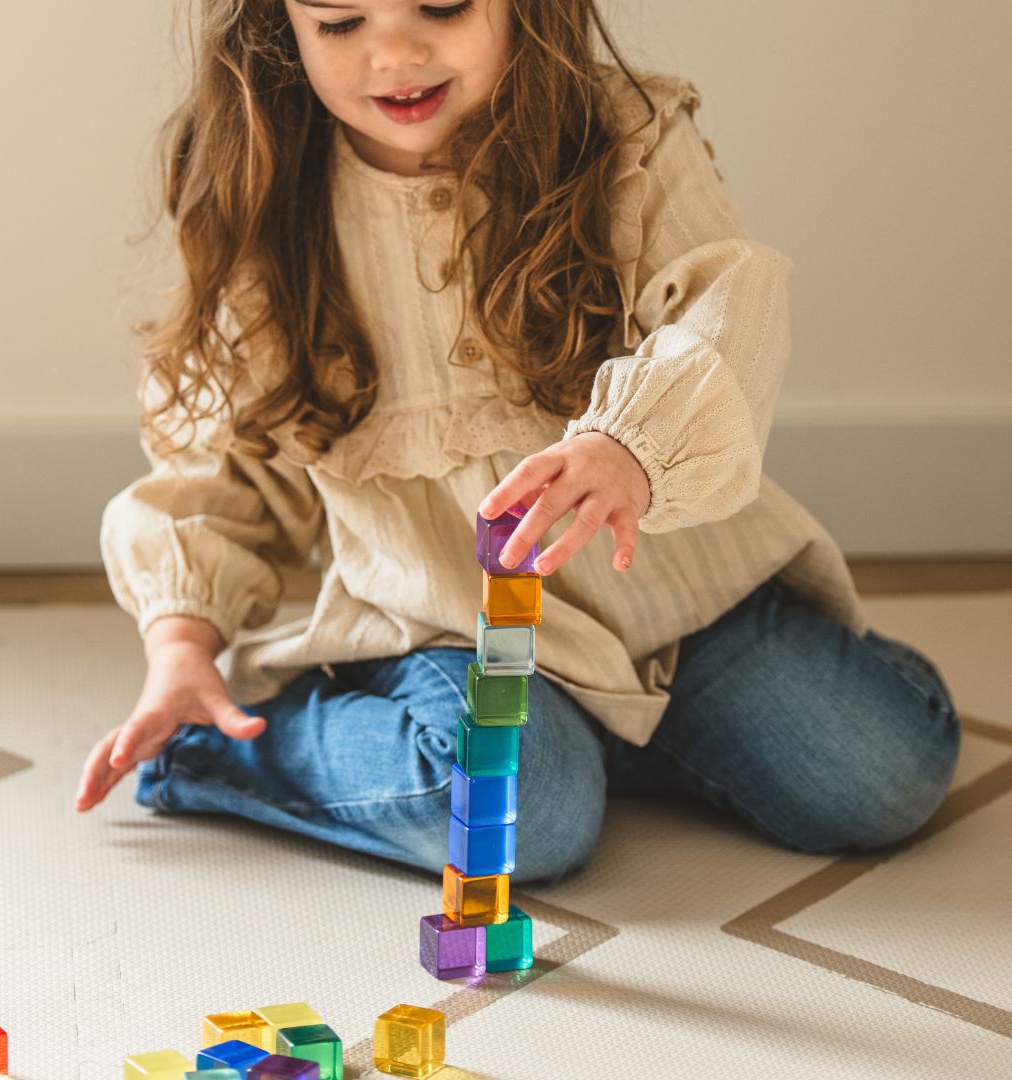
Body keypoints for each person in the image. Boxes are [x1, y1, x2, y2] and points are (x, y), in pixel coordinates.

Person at [75, 0, 961, 883]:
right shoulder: (270, 199)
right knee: (524, 821)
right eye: (341, 23)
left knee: (884, 777)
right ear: (281, 29)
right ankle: (217, 749)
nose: (395, 53)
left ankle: (605, 741)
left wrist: (634, 444)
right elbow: (223, 468)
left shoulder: (628, 139)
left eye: (443, 4)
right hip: (453, 633)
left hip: (681, 614)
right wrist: (183, 646)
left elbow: (727, 306)